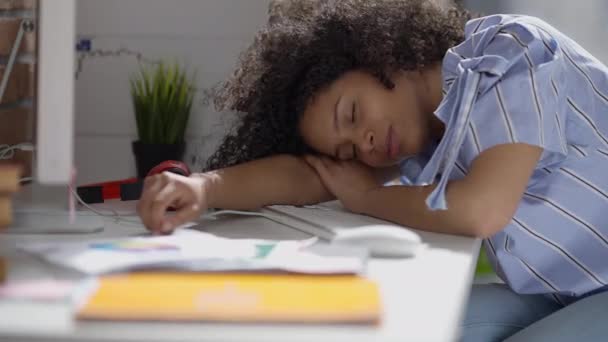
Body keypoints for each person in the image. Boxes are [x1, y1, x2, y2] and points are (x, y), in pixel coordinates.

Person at [136, 0, 608, 340]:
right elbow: (309, 175)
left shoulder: (509, 52)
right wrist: (203, 188)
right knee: (402, 324)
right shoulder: (425, 141)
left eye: (352, 114)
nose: (361, 147)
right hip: (569, 290)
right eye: (347, 151)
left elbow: (481, 210)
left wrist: (367, 198)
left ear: (382, 55)